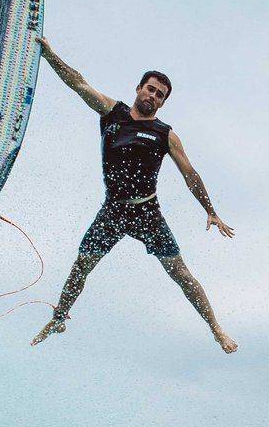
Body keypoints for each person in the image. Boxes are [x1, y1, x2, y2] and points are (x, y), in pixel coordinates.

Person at [32, 38, 237, 353]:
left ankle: (216, 329)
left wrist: (210, 210)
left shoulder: (165, 134)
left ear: (163, 103)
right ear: (139, 88)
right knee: (81, 265)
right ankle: (59, 317)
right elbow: (77, 83)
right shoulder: (112, 112)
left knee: (181, 274)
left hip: (148, 214)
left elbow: (190, 174)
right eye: (151, 89)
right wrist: (48, 54)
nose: (153, 96)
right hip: (113, 211)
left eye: (160, 95)